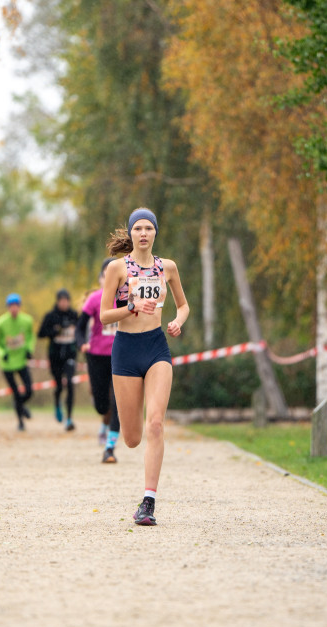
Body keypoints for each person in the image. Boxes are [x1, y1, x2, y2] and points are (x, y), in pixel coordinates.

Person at [99, 208, 189, 526]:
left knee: (156, 425)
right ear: (131, 233)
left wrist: (177, 321)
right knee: (133, 438)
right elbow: (104, 316)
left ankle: (148, 502)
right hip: (125, 350)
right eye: (138, 228)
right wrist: (131, 306)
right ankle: (125, 439)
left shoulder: (168, 268)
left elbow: (183, 304)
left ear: (155, 233)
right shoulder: (117, 268)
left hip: (156, 348)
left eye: (148, 228)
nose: (143, 233)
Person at [77, 258, 122, 463]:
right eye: (106, 274)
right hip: (96, 357)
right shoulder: (94, 299)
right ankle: (103, 421)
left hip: (121, 356)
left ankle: (110, 448)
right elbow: (80, 327)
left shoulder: (127, 298)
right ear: (101, 278)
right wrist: (81, 344)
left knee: (119, 403)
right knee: (101, 405)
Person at [0, 293, 36, 431]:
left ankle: (20, 406)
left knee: (29, 391)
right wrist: (2, 353)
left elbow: (30, 337)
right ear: (7, 307)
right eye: (11, 306)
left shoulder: (27, 320)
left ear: (20, 306)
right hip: (8, 364)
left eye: (16, 306)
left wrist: (29, 349)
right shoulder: (0, 323)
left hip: (21, 361)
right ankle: (20, 422)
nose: (14, 309)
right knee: (16, 393)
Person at [38, 289, 79, 431]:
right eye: (61, 301)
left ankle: (69, 418)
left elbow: (80, 333)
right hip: (55, 356)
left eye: (66, 300)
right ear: (57, 301)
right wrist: (54, 331)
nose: (64, 303)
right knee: (59, 386)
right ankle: (57, 403)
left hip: (70, 355)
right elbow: (40, 333)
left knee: (70, 383)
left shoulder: (74, 315)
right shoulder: (50, 316)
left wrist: (80, 345)